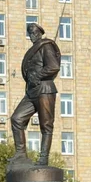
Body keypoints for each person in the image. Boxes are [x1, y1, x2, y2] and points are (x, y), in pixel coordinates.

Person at [10, 23, 61, 166]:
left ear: (40, 33)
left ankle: (43, 157)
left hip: (45, 89)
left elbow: (53, 67)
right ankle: (20, 154)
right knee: (17, 119)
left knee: (46, 125)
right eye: (29, 33)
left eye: (34, 32)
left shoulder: (46, 46)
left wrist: (38, 75)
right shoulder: (33, 49)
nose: (32, 35)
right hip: (31, 91)